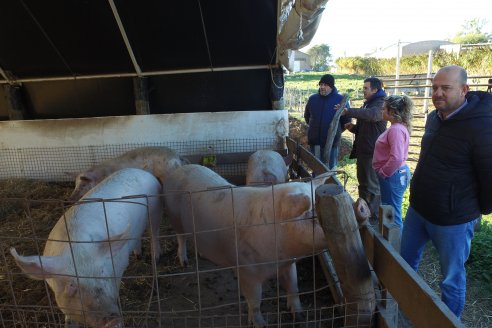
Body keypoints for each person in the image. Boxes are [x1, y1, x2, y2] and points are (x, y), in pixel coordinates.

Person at [400, 65, 492, 319]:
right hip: (418, 210)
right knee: (404, 264)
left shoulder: (482, 127)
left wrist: (477, 211)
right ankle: (399, 307)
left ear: (464, 90)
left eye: (446, 88)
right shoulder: (434, 117)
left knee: (451, 279)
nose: (438, 93)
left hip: (453, 220)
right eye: (435, 87)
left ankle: (446, 322)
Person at [339, 77, 387, 220]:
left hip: (372, 152)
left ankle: (372, 216)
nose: (363, 90)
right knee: (363, 183)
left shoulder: (381, 104)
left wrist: (348, 111)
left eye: (366, 88)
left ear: (375, 90)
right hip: (364, 150)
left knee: (371, 185)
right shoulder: (368, 104)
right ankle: (362, 211)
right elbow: (365, 127)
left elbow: (372, 116)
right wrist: (353, 128)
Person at [372, 95, 413, 232]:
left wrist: (383, 173)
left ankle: (393, 249)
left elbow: (396, 157)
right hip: (395, 174)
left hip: (392, 176)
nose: (382, 111)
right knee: (390, 209)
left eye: (384, 109)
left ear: (392, 112)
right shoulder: (398, 127)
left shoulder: (395, 130)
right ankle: (390, 243)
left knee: (393, 213)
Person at [304, 74, 350, 169]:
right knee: (316, 169)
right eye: (321, 84)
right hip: (315, 141)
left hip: (332, 143)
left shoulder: (340, 100)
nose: (322, 87)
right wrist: (314, 129)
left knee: (330, 170)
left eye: (325, 85)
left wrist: (335, 131)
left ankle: (329, 183)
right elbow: (307, 117)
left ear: (331, 86)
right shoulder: (312, 99)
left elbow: (346, 121)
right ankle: (317, 184)